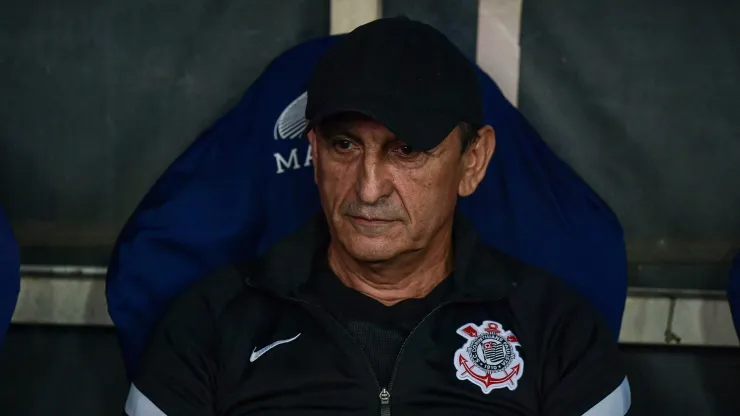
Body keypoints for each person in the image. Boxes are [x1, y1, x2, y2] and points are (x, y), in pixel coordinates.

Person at [125, 17, 630, 415]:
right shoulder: (209, 326)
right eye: (344, 145)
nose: (368, 188)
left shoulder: (558, 333)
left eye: (406, 150)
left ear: (472, 162)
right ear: (314, 154)